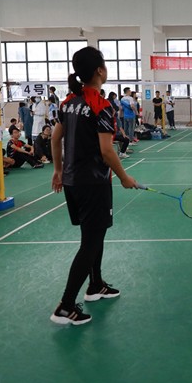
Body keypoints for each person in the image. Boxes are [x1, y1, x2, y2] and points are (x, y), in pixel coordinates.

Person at [50, 46, 138, 326]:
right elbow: (107, 151)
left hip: (73, 181)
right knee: (90, 243)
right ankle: (65, 306)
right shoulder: (101, 105)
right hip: (93, 183)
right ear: (100, 70)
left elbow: (55, 139)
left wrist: (58, 171)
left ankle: (95, 284)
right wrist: (124, 177)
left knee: (94, 236)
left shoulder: (68, 103)